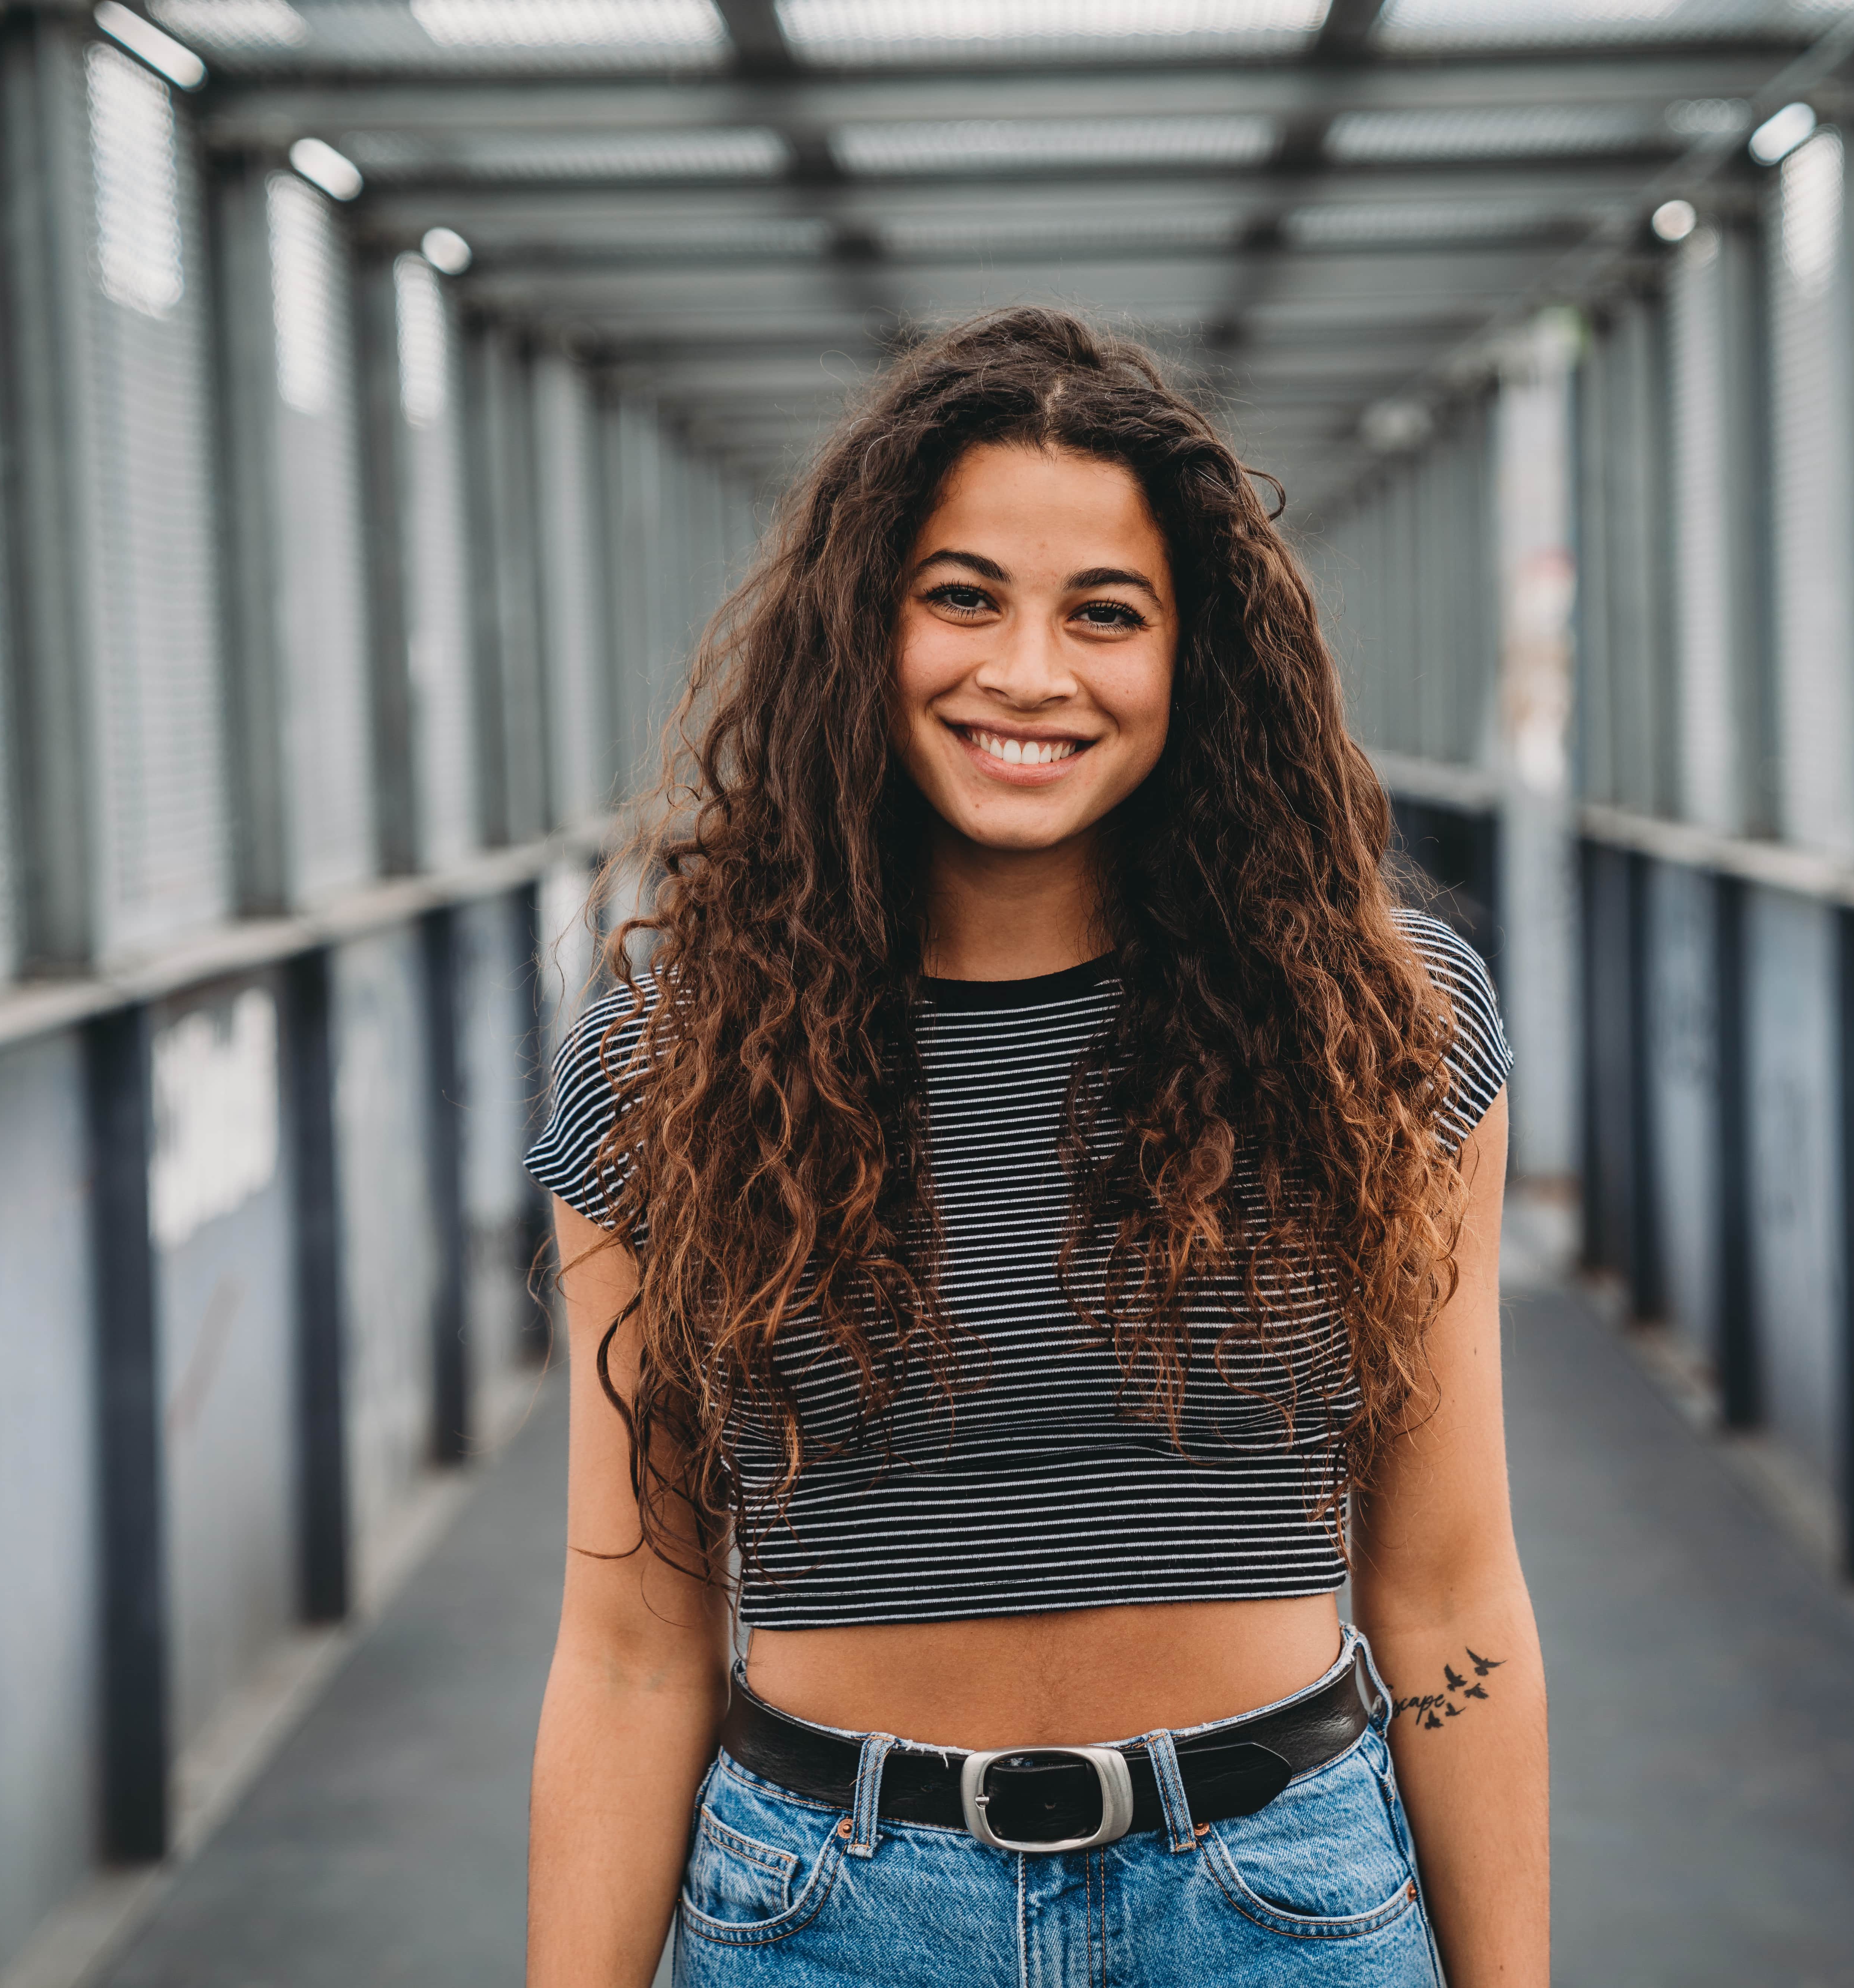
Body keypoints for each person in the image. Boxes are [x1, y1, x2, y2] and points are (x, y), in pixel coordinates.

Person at [525, 306, 1546, 1987]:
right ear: (866, 631)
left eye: (1104, 615)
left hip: (1280, 1907)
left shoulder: (1384, 1027)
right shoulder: (670, 1061)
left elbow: (1446, 1597)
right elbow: (633, 1652)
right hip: (826, 1922)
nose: (1026, 673)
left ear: (1188, 656)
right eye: (961, 598)